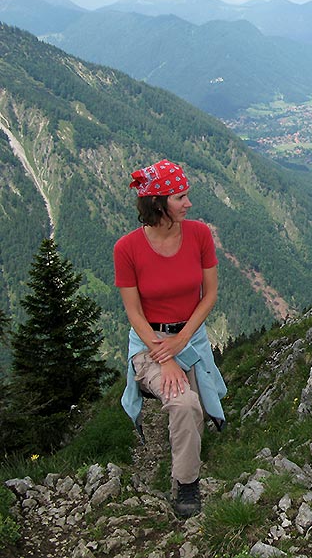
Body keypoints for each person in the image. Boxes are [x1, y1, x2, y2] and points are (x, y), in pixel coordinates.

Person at [114, 159, 227, 518]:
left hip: (189, 339)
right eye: (181, 197)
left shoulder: (199, 235)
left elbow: (209, 295)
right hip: (150, 344)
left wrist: (182, 341)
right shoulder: (127, 249)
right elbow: (134, 312)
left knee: (194, 412)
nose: (189, 203)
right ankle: (187, 487)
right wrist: (165, 356)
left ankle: (182, 472)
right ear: (159, 203)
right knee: (186, 405)